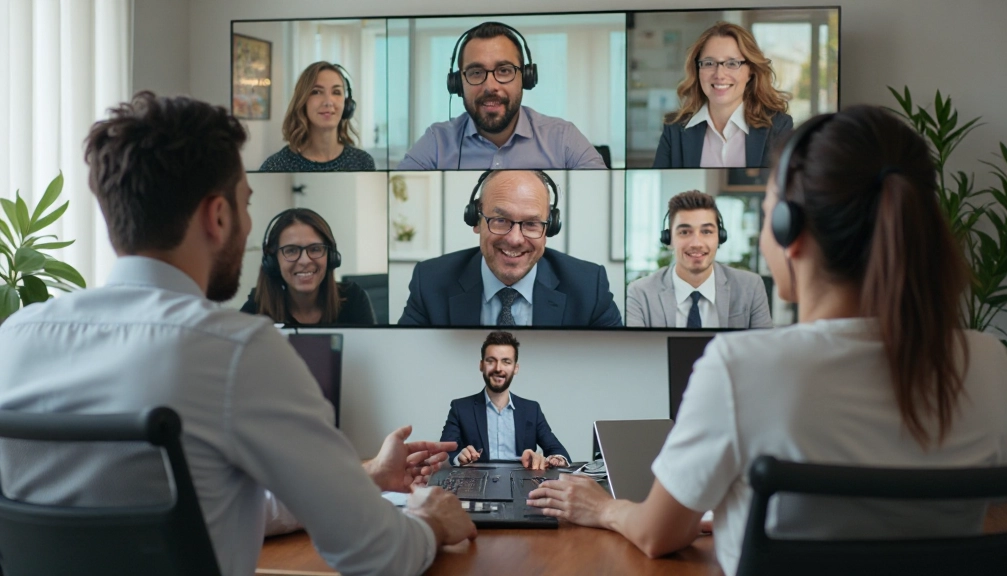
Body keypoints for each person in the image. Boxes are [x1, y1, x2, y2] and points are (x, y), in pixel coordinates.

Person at [0, 92, 475, 576]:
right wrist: (429, 521)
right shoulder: (236, 349)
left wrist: (366, 475)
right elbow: (378, 554)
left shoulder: (14, 340)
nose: (248, 226)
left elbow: (205, 504)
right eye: (245, 204)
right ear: (217, 216)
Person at [527, 106, 1007, 575]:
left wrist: (604, 508)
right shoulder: (988, 362)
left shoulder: (740, 365)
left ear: (789, 231)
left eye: (765, 212)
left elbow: (660, 535)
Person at [397, 169, 622, 327]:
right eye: (500, 220)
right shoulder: (429, 281)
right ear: (476, 221)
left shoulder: (589, 287)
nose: (515, 239)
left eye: (532, 224)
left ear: (549, 228)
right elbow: (408, 360)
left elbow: (616, 367)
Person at [396, 22, 606, 170]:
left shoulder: (563, 139)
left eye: (504, 71)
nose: (490, 86)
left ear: (525, 77)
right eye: (476, 73)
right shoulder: (436, 142)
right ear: (458, 83)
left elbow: (602, 197)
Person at [652, 22, 793, 168]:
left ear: (750, 71)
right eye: (709, 63)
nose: (719, 74)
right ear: (697, 70)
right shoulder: (674, 129)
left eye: (732, 63)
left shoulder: (778, 126)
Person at [626, 191, 772, 328]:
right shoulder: (640, 293)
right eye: (684, 232)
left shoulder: (750, 287)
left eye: (707, 231)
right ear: (669, 239)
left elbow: (763, 349)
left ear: (720, 238)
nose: (696, 243)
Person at [440, 331, 570, 469]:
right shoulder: (460, 408)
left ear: (515, 368)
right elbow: (444, 451)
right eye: (491, 361)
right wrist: (459, 457)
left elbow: (558, 451)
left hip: (523, 485)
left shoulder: (532, 409)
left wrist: (554, 460)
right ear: (481, 365)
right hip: (477, 483)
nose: (498, 368)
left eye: (506, 362)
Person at [241, 208, 376, 326]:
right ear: (273, 261)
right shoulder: (256, 309)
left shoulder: (353, 300)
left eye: (315, 249)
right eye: (291, 250)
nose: (305, 261)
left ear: (330, 257)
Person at [260, 61, 375, 171]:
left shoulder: (363, 162)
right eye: (316, 92)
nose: (328, 102)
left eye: (336, 92)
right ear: (303, 101)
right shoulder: (276, 166)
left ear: (347, 104)